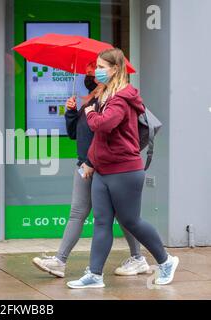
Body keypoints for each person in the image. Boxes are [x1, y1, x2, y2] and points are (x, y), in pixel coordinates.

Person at [66, 48, 179, 289]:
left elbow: (104, 125)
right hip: (103, 171)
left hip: (125, 170)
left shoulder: (123, 97)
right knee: (102, 222)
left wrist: (89, 112)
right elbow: (100, 140)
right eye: (96, 66)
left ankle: (166, 260)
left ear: (115, 69)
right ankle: (95, 275)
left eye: (101, 67)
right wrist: (90, 162)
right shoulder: (104, 95)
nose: (96, 71)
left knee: (131, 221)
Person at [32, 62, 150, 278]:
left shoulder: (109, 101)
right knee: (80, 212)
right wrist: (70, 112)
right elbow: (76, 134)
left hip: (100, 166)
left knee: (124, 216)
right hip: (85, 164)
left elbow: (105, 134)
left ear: (110, 72)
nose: (91, 74)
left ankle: (138, 258)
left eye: (96, 70)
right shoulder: (90, 100)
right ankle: (60, 260)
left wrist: (91, 162)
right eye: (91, 70)